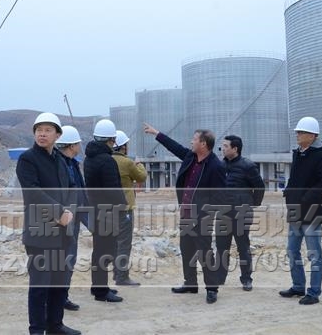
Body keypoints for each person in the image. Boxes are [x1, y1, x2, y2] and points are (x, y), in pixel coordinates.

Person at [143, 122, 225, 304]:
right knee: (187, 250)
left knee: (205, 253)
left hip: (202, 217)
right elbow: (174, 147)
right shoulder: (190, 157)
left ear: (203, 143)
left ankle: (212, 288)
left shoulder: (215, 166)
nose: (191, 142)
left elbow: (220, 196)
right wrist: (157, 133)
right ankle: (190, 283)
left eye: (194, 139)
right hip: (186, 214)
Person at [16, 113, 81, 335]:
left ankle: (55, 325)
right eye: (39, 130)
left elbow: (72, 188)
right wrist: (58, 212)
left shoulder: (60, 160)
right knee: (40, 286)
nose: (42, 134)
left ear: (57, 135)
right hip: (40, 232)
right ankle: (37, 330)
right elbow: (32, 192)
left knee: (60, 282)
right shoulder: (27, 159)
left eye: (47, 130)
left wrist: (69, 211)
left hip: (63, 231)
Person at [279, 116, 322, 305]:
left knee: (314, 253)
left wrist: (307, 196)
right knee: (292, 250)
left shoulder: (320, 155)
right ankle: (298, 286)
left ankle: (314, 292)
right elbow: (296, 178)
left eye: (301, 132)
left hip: (311, 212)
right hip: (296, 210)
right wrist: (289, 191)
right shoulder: (298, 153)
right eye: (297, 132)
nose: (297, 135)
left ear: (312, 136)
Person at [83, 119, 126, 303]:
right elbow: (113, 189)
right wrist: (123, 207)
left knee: (99, 251)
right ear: (111, 140)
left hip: (96, 209)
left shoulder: (88, 158)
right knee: (106, 252)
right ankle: (101, 291)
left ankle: (98, 287)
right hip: (108, 212)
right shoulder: (107, 161)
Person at [216, 135, 265, 291]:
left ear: (235, 149)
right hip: (223, 213)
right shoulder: (220, 166)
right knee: (221, 247)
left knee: (243, 247)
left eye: (225, 146)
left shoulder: (247, 166)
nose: (222, 149)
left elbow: (259, 187)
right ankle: (219, 277)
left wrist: (252, 204)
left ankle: (246, 279)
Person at [55, 125, 90, 312]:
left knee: (69, 259)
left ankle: (62, 297)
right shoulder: (60, 165)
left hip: (73, 219)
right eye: (77, 143)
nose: (79, 146)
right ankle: (57, 299)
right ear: (71, 145)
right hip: (64, 221)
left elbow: (80, 194)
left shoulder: (72, 163)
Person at [112, 130, 147, 286]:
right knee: (124, 242)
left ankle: (116, 273)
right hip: (125, 206)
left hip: (109, 206)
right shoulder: (126, 162)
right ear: (123, 146)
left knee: (114, 242)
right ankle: (122, 277)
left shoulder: (108, 160)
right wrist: (140, 165)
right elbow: (141, 177)